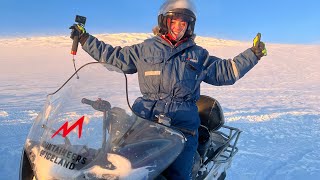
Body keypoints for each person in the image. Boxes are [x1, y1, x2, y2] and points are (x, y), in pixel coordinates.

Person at [70, 0, 267, 179]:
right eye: (174, 22)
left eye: (184, 24)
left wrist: (253, 55)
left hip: (182, 128)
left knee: (177, 176)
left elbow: (226, 72)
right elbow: (114, 57)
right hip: (144, 121)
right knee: (120, 166)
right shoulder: (145, 49)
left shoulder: (197, 55)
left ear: (189, 27)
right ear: (165, 22)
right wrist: (86, 39)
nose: (178, 28)